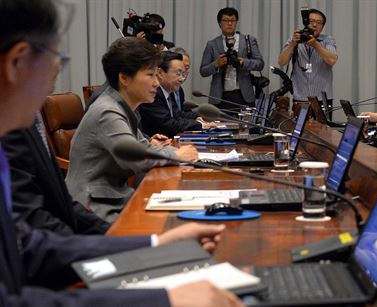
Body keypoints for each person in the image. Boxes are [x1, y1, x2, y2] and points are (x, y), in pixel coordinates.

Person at [0, 1, 241, 306]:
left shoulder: (20, 125)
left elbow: (30, 246)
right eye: (57, 61)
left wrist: (155, 245)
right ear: (17, 63)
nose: (53, 79)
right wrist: (164, 299)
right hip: (90, 217)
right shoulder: (97, 112)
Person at [66, 37, 198, 223]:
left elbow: (143, 146)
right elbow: (138, 158)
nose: (156, 83)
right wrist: (178, 155)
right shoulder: (108, 111)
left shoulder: (124, 108)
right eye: (150, 75)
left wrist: (168, 151)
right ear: (124, 78)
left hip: (113, 196)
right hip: (92, 208)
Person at [1, 117, 110, 235]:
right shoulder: (10, 128)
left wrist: (110, 231)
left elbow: (62, 203)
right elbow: (30, 218)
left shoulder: (30, 121)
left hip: (67, 224)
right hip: (50, 238)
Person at [200, 7, 264, 111]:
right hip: (220, 97)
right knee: (220, 127)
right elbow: (203, 71)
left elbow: (260, 64)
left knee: (247, 127)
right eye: (226, 20)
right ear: (219, 23)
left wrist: (244, 62)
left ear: (236, 22)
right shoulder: (212, 44)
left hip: (244, 95)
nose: (229, 23)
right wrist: (216, 64)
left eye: (232, 20)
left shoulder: (248, 40)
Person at [139, 51, 216, 138]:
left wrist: (200, 117)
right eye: (178, 73)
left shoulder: (169, 92)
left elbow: (178, 115)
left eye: (183, 74)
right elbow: (168, 124)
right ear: (160, 73)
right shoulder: (153, 94)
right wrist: (200, 124)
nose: (182, 79)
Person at [278, 8, 337, 113]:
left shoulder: (328, 40)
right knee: (300, 128)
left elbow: (332, 60)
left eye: (318, 22)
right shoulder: (295, 38)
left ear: (322, 27)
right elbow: (282, 62)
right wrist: (292, 44)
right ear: (305, 23)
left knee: (323, 129)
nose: (314, 25)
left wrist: (316, 45)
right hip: (300, 98)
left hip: (322, 99)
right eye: (311, 21)